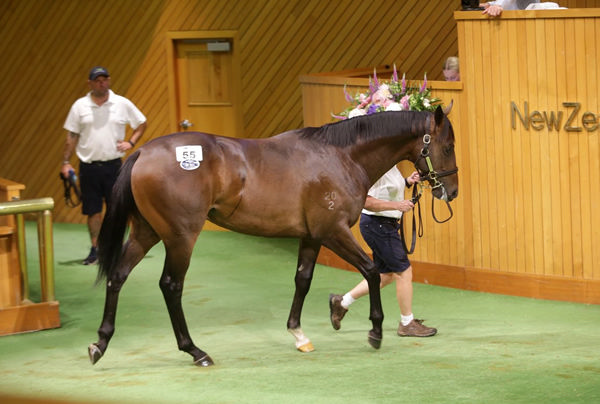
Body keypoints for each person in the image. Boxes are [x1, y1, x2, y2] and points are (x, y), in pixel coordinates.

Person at [329, 166, 437, 337]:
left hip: (383, 225)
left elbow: (385, 189)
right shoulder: (374, 168)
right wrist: (397, 205)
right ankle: (407, 323)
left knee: (385, 275)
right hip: (378, 224)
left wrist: (407, 182)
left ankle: (342, 302)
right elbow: (367, 201)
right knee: (404, 271)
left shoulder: (389, 165)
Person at [61, 66, 147, 265]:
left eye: (105, 79)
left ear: (109, 80)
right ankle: (96, 249)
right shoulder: (79, 106)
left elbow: (141, 123)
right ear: (89, 83)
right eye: (97, 80)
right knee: (92, 211)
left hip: (114, 166)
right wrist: (65, 162)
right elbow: (71, 135)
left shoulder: (121, 103)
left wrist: (131, 142)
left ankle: (116, 248)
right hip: (88, 167)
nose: (102, 82)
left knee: (118, 209)